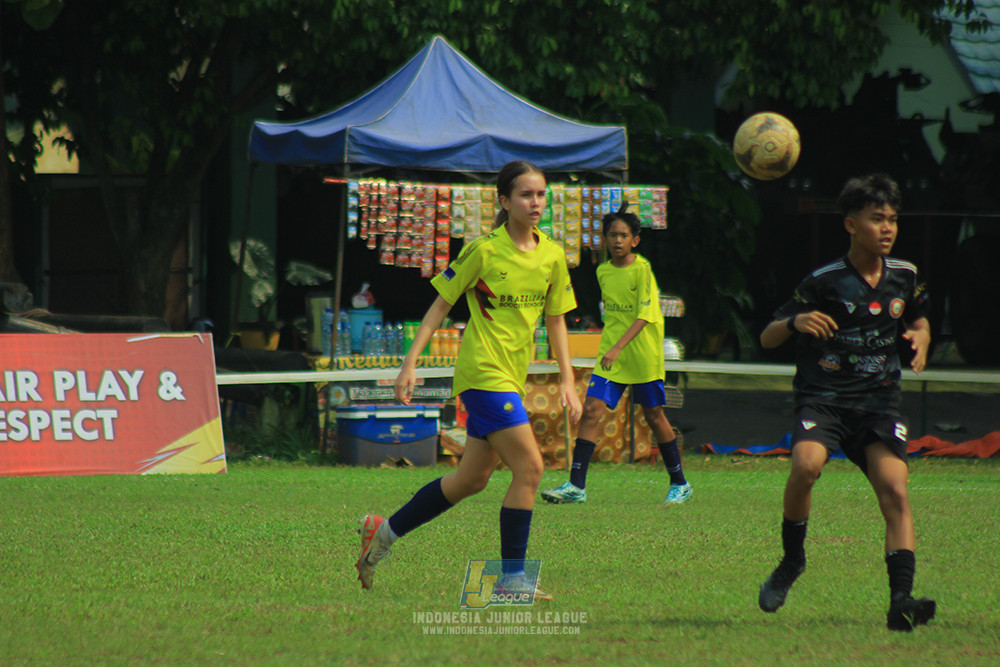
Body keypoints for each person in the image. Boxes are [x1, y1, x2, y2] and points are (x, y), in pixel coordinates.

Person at [355, 161, 582, 599]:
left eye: (540, 194)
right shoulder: (484, 250)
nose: (535, 202)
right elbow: (440, 306)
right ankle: (511, 581)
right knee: (531, 469)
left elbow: (556, 321)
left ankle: (381, 534)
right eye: (525, 195)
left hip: (511, 378)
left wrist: (568, 381)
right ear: (503, 201)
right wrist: (410, 363)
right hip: (482, 374)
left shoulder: (552, 254)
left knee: (469, 480)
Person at [757, 173, 935, 632]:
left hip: (879, 404)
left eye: (893, 220)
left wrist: (920, 338)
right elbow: (768, 335)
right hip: (825, 400)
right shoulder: (825, 281)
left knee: (896, 488)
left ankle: (901, 601)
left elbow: (918, 319)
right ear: (851, 224)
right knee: (806, 466)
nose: (888, 228)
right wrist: (797, 321)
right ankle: (792, 561)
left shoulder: (905, 276)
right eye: (877, 219)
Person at [541, 204, 691, 505]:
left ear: (635, 240)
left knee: (653, 415)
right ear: (605, 240)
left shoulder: (643, 269)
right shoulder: (603, 271)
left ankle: (680, 482)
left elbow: (644, 315)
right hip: (612, 358)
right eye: (613, 235)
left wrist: (618, 347)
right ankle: (576, 486)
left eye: (623, 235)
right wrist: (611, 347)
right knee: (592, 410)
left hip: (641, 356)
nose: (618, 240)